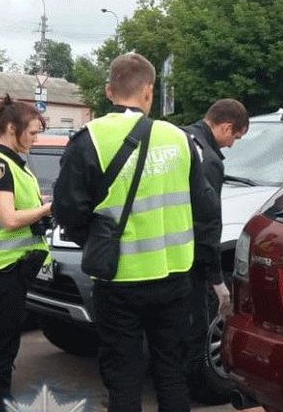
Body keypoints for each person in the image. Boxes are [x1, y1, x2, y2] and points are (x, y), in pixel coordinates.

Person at [52, 53, 219, 412]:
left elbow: (67, 211)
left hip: (118, 280)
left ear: (109, 91)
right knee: (171, 372)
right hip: (175, 277)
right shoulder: (181, 140)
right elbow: (206, 208)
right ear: (149, 91)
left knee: (123, 375)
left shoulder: (88, 140)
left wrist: (98, 240)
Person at [0, 95, 52, 412]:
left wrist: (38, 209)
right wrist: (47, 208)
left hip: (12, 267)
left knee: (3, 340)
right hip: (2, 268)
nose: (35, 138)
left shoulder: (13, 164)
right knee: (0, 344)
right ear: (10, 128)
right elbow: (9, 219)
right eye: (31, 132)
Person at [180, 98, 248, 400]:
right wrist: (218, 280)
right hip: (191, 265)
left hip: (163, 259)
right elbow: (208, 225)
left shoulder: (180, 139)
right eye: (235, 137)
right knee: (191, 340)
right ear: (226, 126)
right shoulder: (208, 160)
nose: (232, 145)